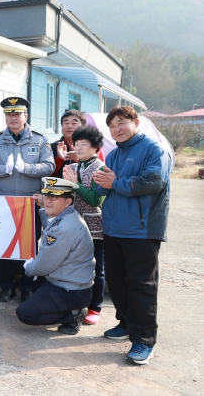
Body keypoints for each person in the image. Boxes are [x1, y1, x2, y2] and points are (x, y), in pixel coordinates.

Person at [94, 106, 171, 365]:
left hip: (141, 229)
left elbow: (154, 181)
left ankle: (144, 340)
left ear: (135, 122)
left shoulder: (153, 149)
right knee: (117, 282)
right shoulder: (114, 154)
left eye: (121, 123)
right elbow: (104, 185)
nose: (117, 129)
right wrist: (94, 180)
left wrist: (115, 182)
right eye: (112, 126)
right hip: (113, 228)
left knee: (141, 285)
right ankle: (126, 323)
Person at [0, 96, 55, 303]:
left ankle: (27, 287)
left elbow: (49, 166)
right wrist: (3, 170)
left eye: (17, 114)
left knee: (29, 247)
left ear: (26, 116)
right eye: (9, 114)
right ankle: (6, 286)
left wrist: (27, 168)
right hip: (5, 202)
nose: (13, 118)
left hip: (30, 202)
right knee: (5, 245)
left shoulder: (39, 140)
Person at [16, 177, 95, 335]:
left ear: (68, 202)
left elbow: (44, 264)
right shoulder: (67, 216)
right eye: (47, 196)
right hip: (64, 281)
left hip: (70, 290)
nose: (48, 201)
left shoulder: (65, 227)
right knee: (31, 274)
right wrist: (43, 207)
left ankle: (73, 314)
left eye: (54, 197)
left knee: (25, 313)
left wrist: (29, 267)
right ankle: (52, 304)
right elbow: (52, 227)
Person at [61, 126, 106, 326]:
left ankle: (95, 307)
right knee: (74, 264)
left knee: (97, 267)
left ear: (95, 146)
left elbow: (96, 200)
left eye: (83, 144)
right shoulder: (74, 167)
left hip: (95, 226)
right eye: (76, 144)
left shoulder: (100, 168)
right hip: (74, 224)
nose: (78, 148)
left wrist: (75, 184)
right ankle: (77, 303)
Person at [50, 110, 86, 178]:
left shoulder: (92, 148)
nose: (69, 126)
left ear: (83, 127)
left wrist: (80, 159)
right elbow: (47, 175)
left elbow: (97, 172)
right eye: (66, 123)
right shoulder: (52, 147)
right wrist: (60, 159)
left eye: (74, 123)